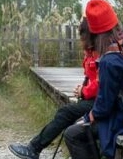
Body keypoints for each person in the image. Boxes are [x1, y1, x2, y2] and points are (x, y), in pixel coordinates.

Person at [63, 0, 123, 159]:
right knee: (82, 126)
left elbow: (103, 106)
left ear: (94, 32)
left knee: (73, 133)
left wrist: (88, 118)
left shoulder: (109, 61)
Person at [8, 19, 99, 159]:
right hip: (95, 100)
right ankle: (34, 148)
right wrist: (84, 87)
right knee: (67, 113)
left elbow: (101, 83)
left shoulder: (100, 52)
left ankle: (34, 148)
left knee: (66, 112)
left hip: (101, 102)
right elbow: (92, 78)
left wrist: (84, 91)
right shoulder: (93, 51)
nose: (80, 40)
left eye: (82, 35)